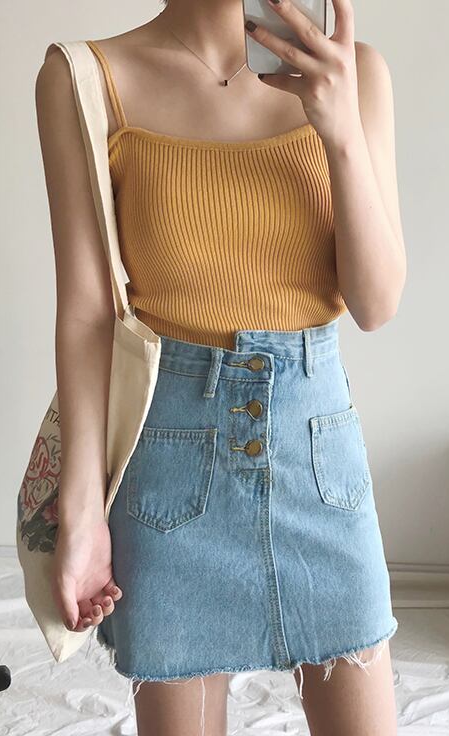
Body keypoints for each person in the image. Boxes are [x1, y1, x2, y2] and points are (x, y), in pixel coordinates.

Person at [34, 0, 407, 732]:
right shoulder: (86, 77)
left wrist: (339, 128)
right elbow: (86, 314)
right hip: (169, 467)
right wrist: (79, 516)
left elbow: (376, 303)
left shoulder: (355, 73)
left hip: (317, 458)